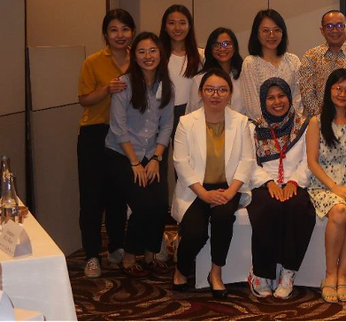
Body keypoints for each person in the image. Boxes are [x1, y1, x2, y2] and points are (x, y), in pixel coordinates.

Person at [171, 69, 255, 298]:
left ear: (229, 94)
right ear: (201, 92)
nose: (215, 95)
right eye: (210, 89)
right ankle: (181, 268)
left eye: (222, 90)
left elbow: (247, 161)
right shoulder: (186, 123)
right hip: (196, 188)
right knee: (195, 233)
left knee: (222, 217)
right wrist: (204, 194)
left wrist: (229, 192)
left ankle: (216, 272)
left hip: (228, 187)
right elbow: (180, 162)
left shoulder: (240, 123)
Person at [105, 32, 174, 277]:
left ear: (160, 54)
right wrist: (135, 162)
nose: (148, 56)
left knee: (159, 204)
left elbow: (166, 125)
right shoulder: (124, 84)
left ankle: (150, 253)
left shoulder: (166, 85)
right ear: (134, 56)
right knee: (143, 205)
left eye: (152, 51)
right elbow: (118, 128)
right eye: (142, 51)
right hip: (121, 155)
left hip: (150, 153)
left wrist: (156, 158)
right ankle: (130, 256)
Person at [77, 9, 136, 278]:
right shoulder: (93, 62)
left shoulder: (141, 59)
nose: (120, 35)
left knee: (118, 194)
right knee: (92, 196)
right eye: (114, 30)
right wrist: (107, 90)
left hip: (127, 135)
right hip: (95, 134)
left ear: (132, 32)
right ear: (105, 35)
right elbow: (84, 99)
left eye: (125, 29)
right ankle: (91, 255)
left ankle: (116, 248)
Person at [246, 77, 315, 300]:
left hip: (296, 182)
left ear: (289, 96)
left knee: (299, 208)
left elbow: (308, 160)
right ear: (263, 101)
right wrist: (269, 183)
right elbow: (249, 162)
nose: (277, 102)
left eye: (281, 96)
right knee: (268, 208)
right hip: (264, 183)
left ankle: (288, 272)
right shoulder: (254, 127)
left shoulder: (304, 124)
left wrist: (294, 181)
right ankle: (260, 274)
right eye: (271, 97)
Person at [306, 69, 346, 303]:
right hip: (324, 184)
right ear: (329, 90)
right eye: (338, 88)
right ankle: (330, 274)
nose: (342, 93)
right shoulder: (316, 122)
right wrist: (334, 187)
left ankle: (343, 276)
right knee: (341, 211)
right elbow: (312, 162)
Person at [298, 10, 346, 117]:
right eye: (329, 26)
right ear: (322, 30)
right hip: (319, 124)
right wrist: (324, 120)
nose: (334, 30)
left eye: (340, 25)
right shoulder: (310, 56)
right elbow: (307, 94)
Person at [241, 9, 303, 122]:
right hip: (262, 131)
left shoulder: (293, 61)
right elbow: (252, 105)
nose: (271, 35)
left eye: (276, 30)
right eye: (265, 30)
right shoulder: (250, 63)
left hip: (292, 129)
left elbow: (298, 98)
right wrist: (271, 128)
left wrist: (289, 125)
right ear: (257, 33)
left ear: (282, 33)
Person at [159, 4, 204, 136]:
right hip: (162, 112)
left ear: (189, 26)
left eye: (182, 23)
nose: (177, 28)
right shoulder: (157, 55)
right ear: (165, 27)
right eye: (171, 23)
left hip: (191, 112)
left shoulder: (201, 55)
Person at [188, 28, 246, 115]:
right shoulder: (199, 79)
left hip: (240, 126)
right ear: (210, 49)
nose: (222, 48)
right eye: (216, 45)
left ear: (235, 47)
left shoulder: (244, 76)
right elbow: (192, 112)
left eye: (227, 44)